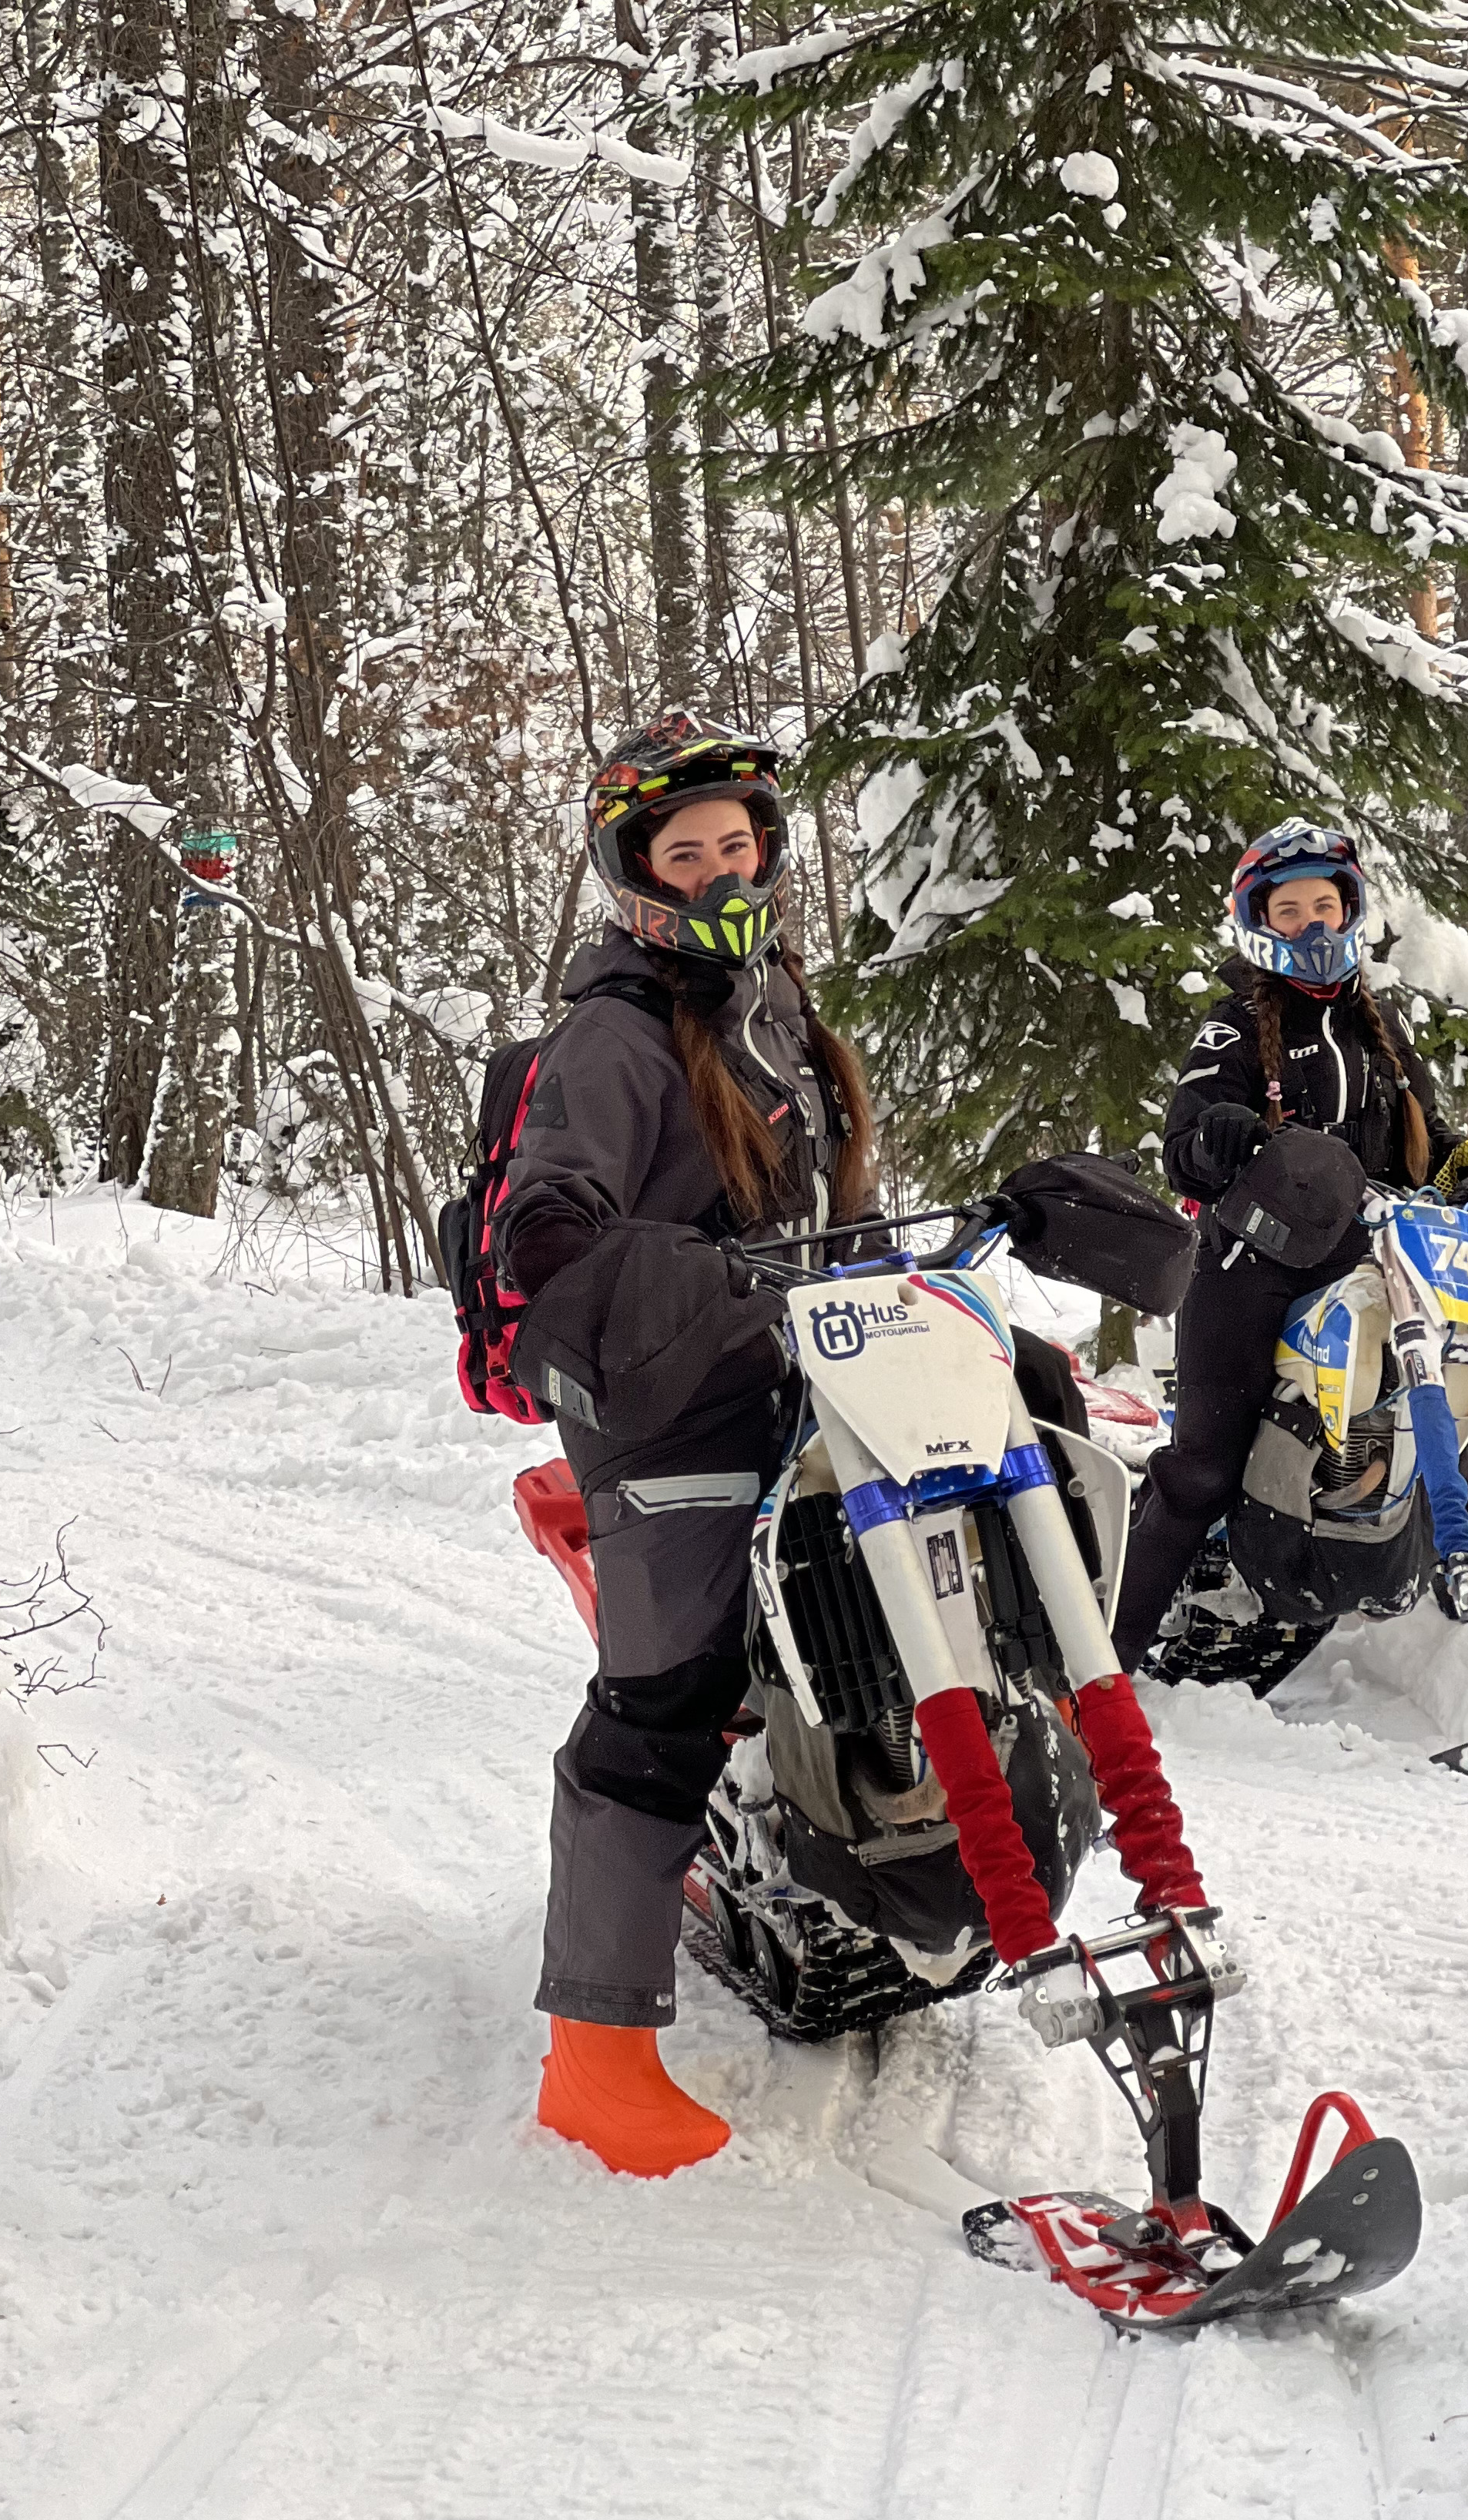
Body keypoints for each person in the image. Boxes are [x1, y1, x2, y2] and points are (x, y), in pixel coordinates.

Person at [494, 711, 876, 2178]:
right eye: (688, 848)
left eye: (739, 841)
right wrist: (680, 1276)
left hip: (797, 1372)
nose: (722, 865)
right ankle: (592, 2055)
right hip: (656, 1393)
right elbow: (548, 1223)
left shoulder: (773, 1003)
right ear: (634, 869)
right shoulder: (615, 1029)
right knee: (662, 1700)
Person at [1111, 817, 1468, 1673]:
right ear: (1259, 921)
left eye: (1326, 908)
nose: (1311, 925)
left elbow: (1424, 1140)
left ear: (1351, 916)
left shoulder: (1375, 1032)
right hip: (1245, 1269)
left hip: (1371, 1267)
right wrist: (1223, 1135)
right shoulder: (1235, 1024)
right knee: (1202, 1467)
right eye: (1290, 910)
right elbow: (1186, 1134)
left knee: (1442, 1426)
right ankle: (1102, 1654)